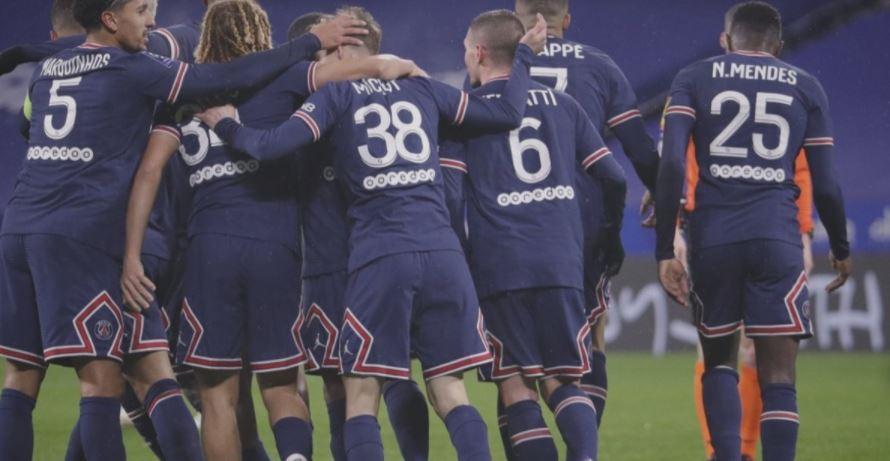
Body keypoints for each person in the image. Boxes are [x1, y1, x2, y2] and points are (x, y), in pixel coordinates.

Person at [0, 0, 367, 458]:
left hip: (24, 226)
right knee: (109, 383)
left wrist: (19, 52)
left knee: (23, 378)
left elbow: (37, 126)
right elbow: (226, 79)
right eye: (142, 10)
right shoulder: (142, 65)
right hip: (98, 234)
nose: (151, 21)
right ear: (111, 19)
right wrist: (319, 45)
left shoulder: (51, 70)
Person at [197, 9, 548, 460]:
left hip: (372, 257)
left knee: (359, 393)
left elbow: (268, 146)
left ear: (343, 52)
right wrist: (523, 58)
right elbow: (505, 112)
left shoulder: (334, 96)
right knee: (445, 389)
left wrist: (226, 123)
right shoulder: (422, 87)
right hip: (437, 250)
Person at [122, 2, 422, 459]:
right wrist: (403, 67)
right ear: (261, 32)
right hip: (275, 246)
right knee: (282, 386)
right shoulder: (287, 77)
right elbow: (374, 67)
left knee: (218, 396)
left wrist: (130, 254)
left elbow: (148, 174)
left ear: (206, 36)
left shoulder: (183, 95)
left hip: (209, 250)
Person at [655, 2, 852, 460]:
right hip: (777, 239)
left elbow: (671, 165)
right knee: (779, 377)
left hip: (713, 239)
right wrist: (839, 246)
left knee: (718, 365)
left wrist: (665, 244)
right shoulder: (805, 85)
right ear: (778, 47)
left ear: (725, 41)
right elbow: (825, 181)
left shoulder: (693, 77)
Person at [439, 9, 627, 460]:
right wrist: (606, 235)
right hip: (562, 261)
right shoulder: (565, 106)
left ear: (480, 52)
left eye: (465, 49)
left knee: (516, 384)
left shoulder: (466, 115)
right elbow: (615, 178)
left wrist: (459, 256)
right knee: (563, 380)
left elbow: (450, 196)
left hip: (501, 264)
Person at [513, 0, 660, 442]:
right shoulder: (598, 65)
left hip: (512, 221)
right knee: (592, 336)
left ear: (517, 19)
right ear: (567, 20)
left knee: (517, 361)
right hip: (581, 219)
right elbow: (638, 148)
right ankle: (584, 448)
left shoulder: (498, 63)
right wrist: (660, 188)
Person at [287, 11, 431, 461]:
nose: (339, 59)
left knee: (387, 375)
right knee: (347, 383)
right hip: (335, 262)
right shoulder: (303, 106)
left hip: (365, 260)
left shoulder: (349, 102)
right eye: (329, 50)